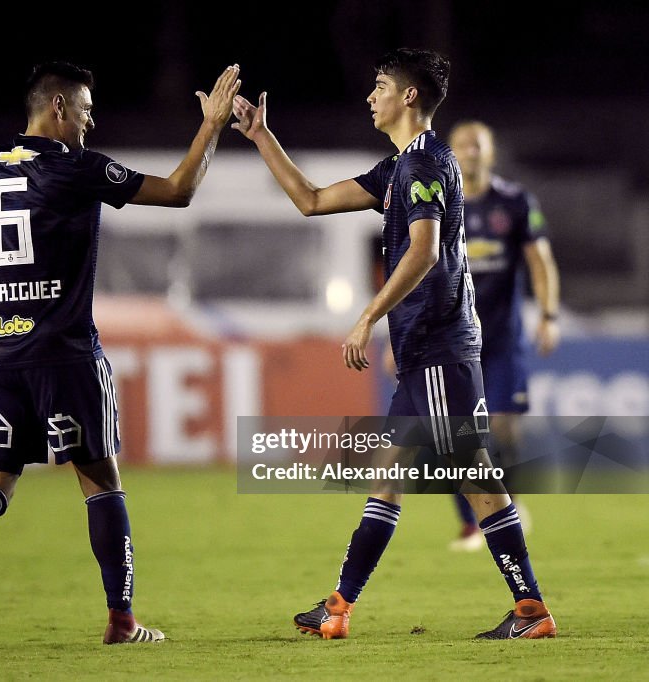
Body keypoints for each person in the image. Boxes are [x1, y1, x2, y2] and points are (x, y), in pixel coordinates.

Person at [232, 48, 555, 640]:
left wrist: (367, 317)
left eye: (380, 84)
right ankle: (338, 607)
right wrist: (260, 135)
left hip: (437, 346)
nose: (370, 95)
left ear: (408, 96)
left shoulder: (426, 163)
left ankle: (531, 607)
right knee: (389, 476)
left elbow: (426, 251)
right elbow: (311, 200)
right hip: (425, 354)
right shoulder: (401, 166)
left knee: (475, 474)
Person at [0, 61, 241, 649]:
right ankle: (122, 621)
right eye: (87, 112)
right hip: (66, 354)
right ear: (58, 109)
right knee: (101, 482)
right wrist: (212, 126)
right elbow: (179, 190)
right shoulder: (78, 168)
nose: (90, 124)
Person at [445, 120, 560, 551]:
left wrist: (548, 315)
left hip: (504, 340)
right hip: (454, 339)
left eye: (477, 145)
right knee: (459, 434)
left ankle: (507, 503)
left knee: (502, 431)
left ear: (489, 153)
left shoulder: (513, 202)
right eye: (461, 145)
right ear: (450, 153)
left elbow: (541, 261)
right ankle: (475, 524)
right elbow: (415, 270)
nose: (469, 152)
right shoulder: (438, 204)